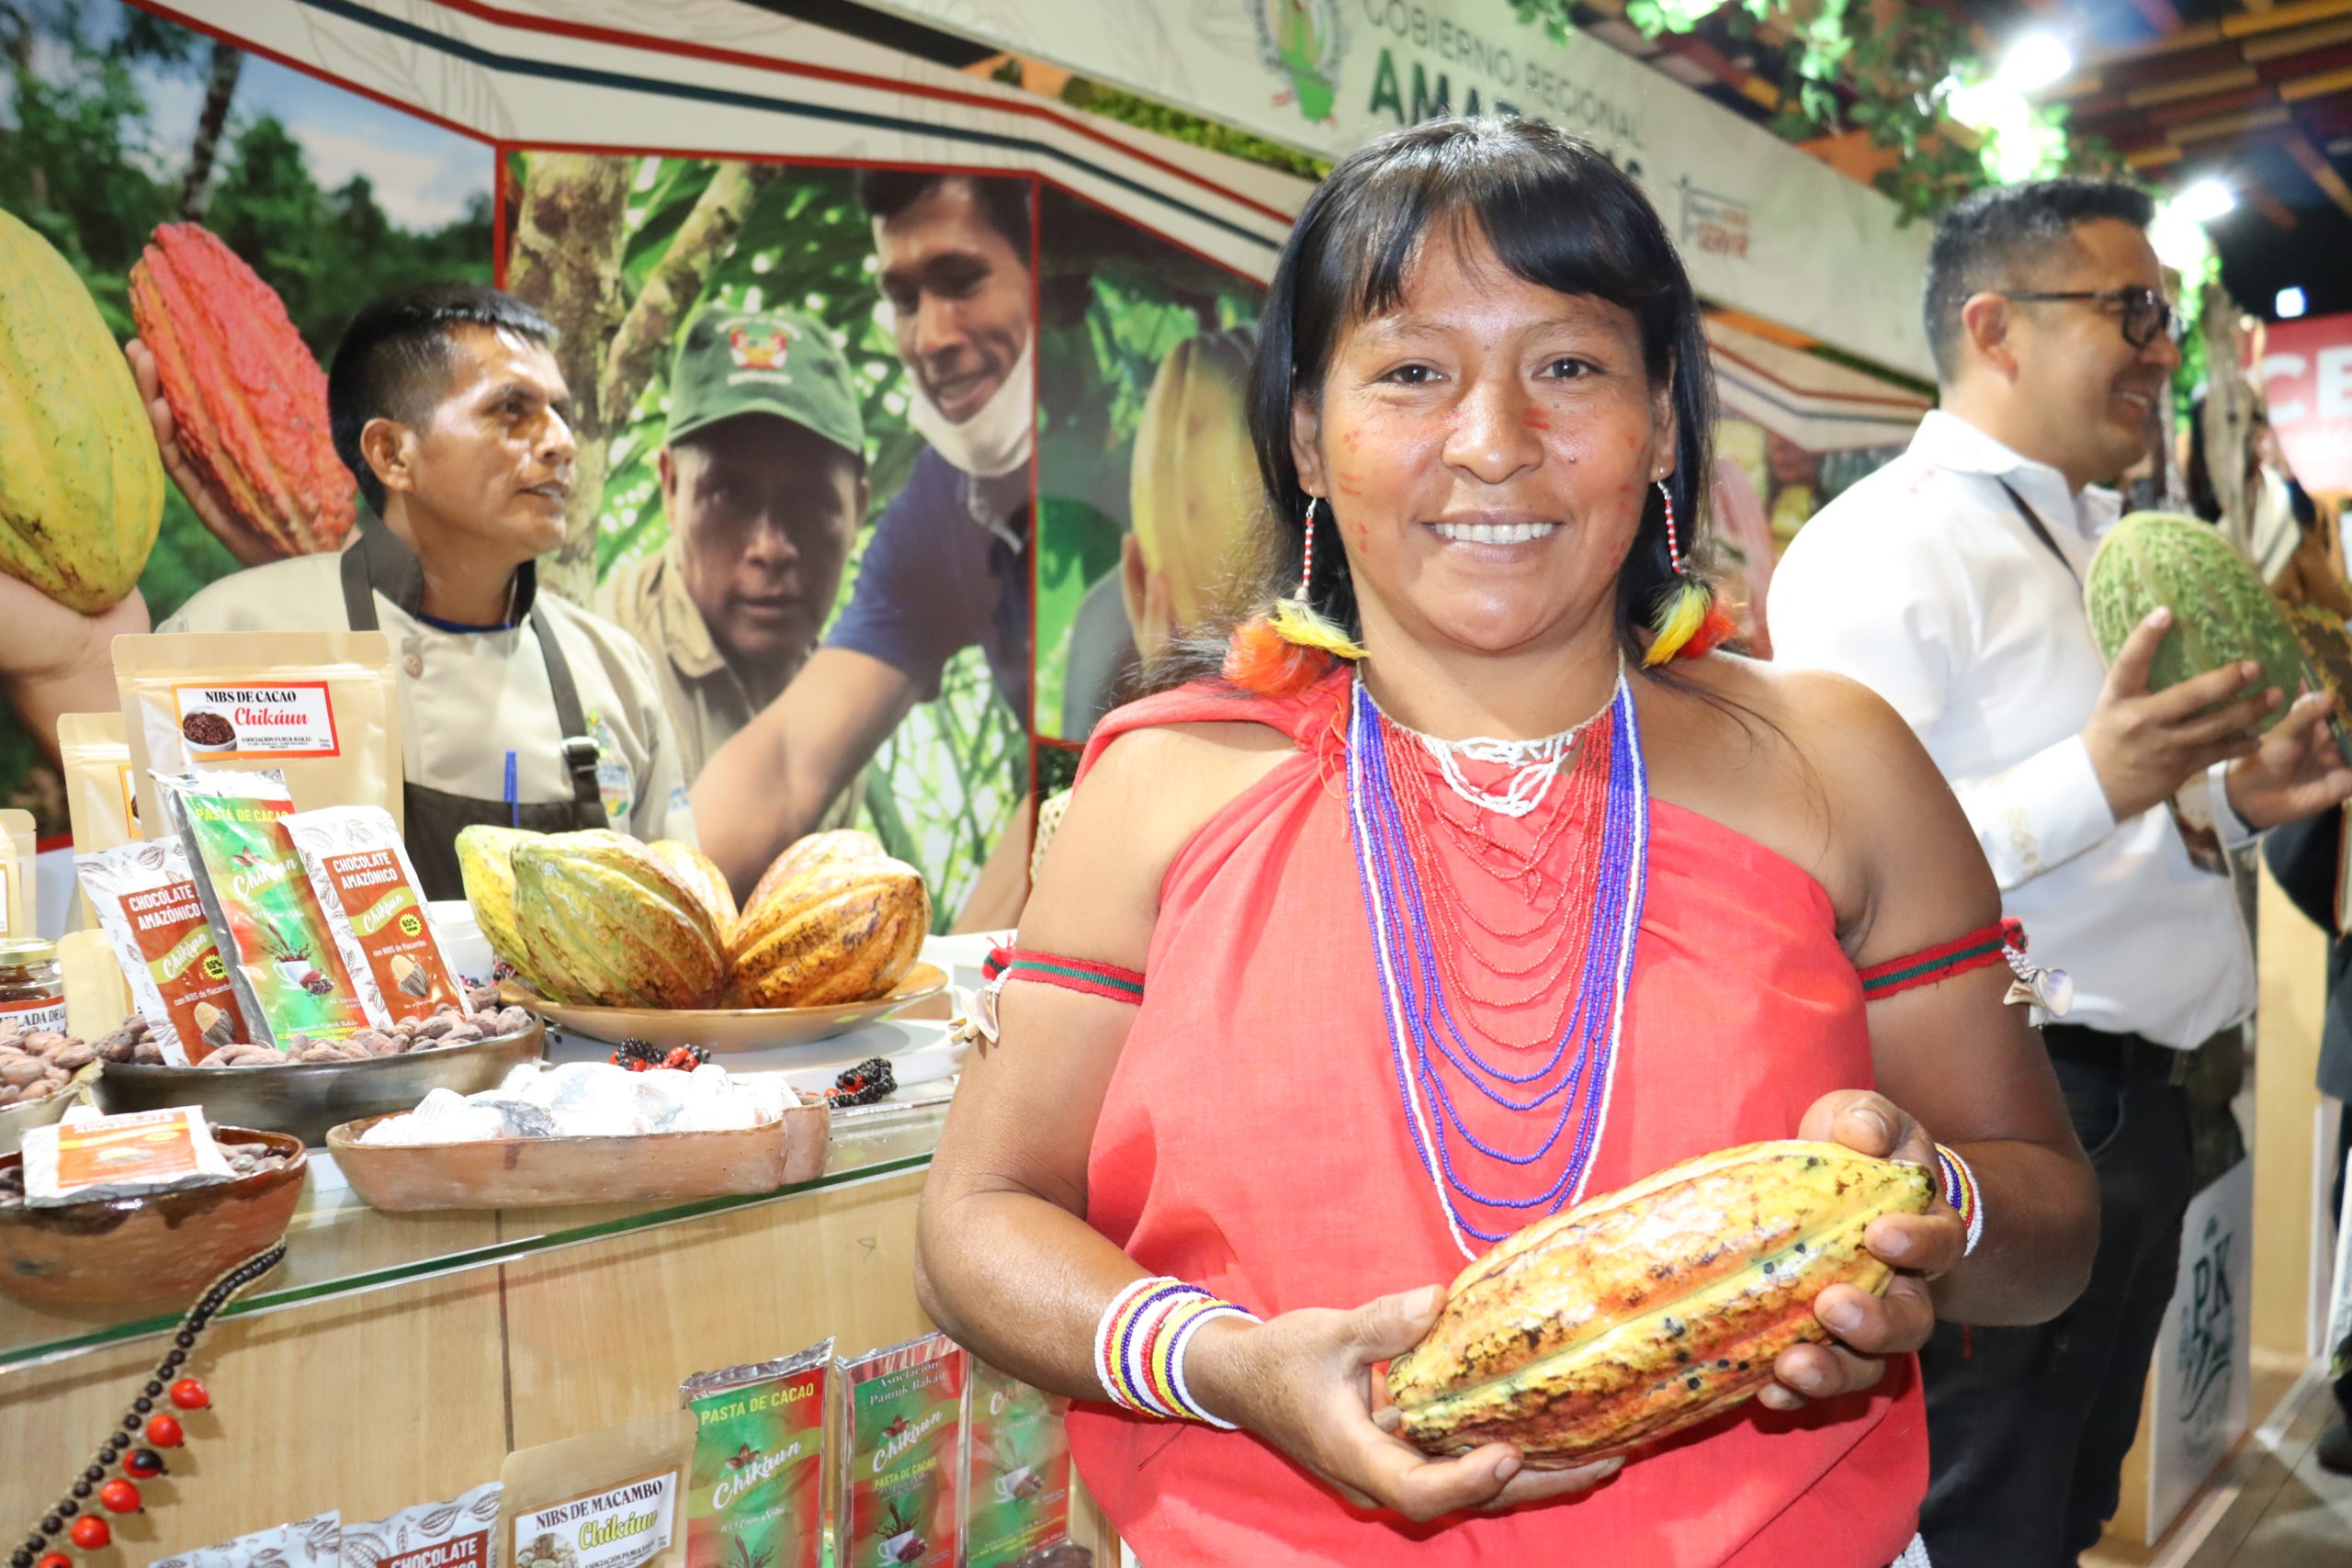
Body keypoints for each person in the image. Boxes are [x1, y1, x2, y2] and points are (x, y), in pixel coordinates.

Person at [915, 117, 2098, 1566]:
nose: (1492, 442)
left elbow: (2050, 1225)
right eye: (1412, 371)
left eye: (1570, 367)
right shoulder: (1165, 781)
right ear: (1304, 429)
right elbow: (979, 1216)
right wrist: (1221, 1361)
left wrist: (1931, 1208)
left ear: (1663, 419)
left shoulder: (1836, 762)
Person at [1770, 179, 2352, 1567]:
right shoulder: (1885, 546)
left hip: (2138, 1106)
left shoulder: (2096, 533)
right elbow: (1836, 866)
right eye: (2132, 311)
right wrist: (2107, 774)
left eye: (2165, 319)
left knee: (2069, 1505)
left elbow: (2104, 807)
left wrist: (2220, 799)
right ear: (1996, 325)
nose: (2164, 350)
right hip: (2008, 1105)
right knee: (1981, 1517)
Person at [149, 283, 694, 897]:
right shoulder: (233, 637)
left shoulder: (615, 672)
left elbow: (677, 939)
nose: (561, 442)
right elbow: (147, 928)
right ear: (391, 454)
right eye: (512, 409)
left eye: (561, 412)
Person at [693, 171, 1035, 897]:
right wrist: (642, 895)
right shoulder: (946, 502)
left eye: (962, 280)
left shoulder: (1156, 423)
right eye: (905, 300)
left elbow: (1093, 781)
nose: (931, 337)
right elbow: (788, 759)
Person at [595, 305, 867, 820]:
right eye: (727, 496)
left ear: (859, 508)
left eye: (810, 502)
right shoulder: (608, 671)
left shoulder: (844, 690)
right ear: (671, 488)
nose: (770, 548)